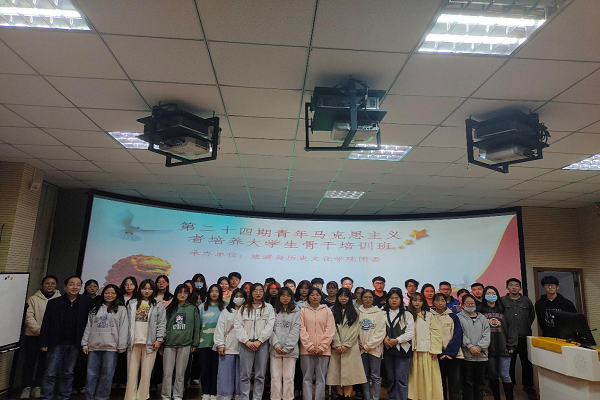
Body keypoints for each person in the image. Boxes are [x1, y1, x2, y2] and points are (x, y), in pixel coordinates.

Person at [39, 276, 94, 400]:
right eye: (72, 284)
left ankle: (64, 397)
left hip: (75, 344)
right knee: (50, 373)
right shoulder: (54, 302)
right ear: (65, 287)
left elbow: (90, 323)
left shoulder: (86, 302)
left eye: (78, 284)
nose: (75, 287)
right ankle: (46, 397)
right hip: (55, 343)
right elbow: (46, 323)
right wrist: (43, 343)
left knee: (68, 373)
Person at [81, 284, 128, 400]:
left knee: (107, 374)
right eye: (107, 293)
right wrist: (84, 343)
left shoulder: (122, 309)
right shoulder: (95, 309)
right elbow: (89, 327)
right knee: (91, 374)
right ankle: (89, 397)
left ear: (117, 295)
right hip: (94, 346)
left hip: (111, 347)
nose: (109, 295)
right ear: (103, 294)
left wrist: (121, 345)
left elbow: (124, 328)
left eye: (113, 293)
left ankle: (102, 397)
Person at [125, 279, 166, 400]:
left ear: (153, 290)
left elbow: (162, 323)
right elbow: (126, 323)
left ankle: (142, 396)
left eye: (149, 289)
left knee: (146, 373)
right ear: (140, 289)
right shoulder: (132, 303)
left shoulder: (158, 304)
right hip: (133, 342)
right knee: (131, 372)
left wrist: (159, 339)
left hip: (150, 343)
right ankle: (130, 396)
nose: (147, 291)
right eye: (144, 288)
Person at [20, 275, 61, 400]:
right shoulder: (33, 299)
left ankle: (37, 386)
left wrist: (48, 334)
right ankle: (26, 387)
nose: (50, 285)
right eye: (47, 283)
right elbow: (29, 317)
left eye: (53, 283)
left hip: (49, 338)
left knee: (43, 363)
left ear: (56, 285)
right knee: (29, 362)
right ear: (42, 285)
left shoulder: (60, 299)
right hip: (32, 336)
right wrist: (40, 331)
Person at [234, 283, 276, 400]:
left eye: (260, 290)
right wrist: (246, 341)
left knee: (260, 375)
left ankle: (257, 398)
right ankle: (244, 397)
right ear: (251, 293)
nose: (258, 293)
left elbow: (270, 326)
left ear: (264, 292)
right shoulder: (244, 307)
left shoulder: (268, 307)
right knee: (244, 375)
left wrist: (260, 341)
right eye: (255, 290)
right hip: (245, 344)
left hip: (262, 344)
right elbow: (238, 325)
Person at [162, 284, 200, 400]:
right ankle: (166, 395)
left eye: (185, 292)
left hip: (185, 344)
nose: (182, 295)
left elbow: (197, 327)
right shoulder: (169, 308)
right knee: (167, 372)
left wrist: (195, 343)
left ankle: (178, 395)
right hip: (169, 344)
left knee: (180, 372)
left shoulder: (192, 308)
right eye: (180, 292)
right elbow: (163, 326)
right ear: (176, 293)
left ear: (188, 294)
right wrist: (162, 344)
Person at [327, 288, 366, 399]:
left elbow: (355, 329)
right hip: (336, 347)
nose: (343, 298)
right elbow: (331, 328)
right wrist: (337, 344)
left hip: (351, 348)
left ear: (349, 298)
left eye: (346, 296)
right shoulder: (331, 311)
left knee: (349, 375)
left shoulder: (356, 311)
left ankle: (347, 396)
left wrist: (346, 344)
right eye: (341, 296)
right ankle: (340, 395)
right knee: (337, 374)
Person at [479, 286, 517, 400]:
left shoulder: (504, 310)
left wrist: (511, 345)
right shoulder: (480, 311)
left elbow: (512, 328)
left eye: (493, 293)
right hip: (488, 349)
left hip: (504, 347)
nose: (491, 295)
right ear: (484, 296)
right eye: (488, 293)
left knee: (505, 374)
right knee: (493, 375)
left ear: (497, 295)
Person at [501, 278, 537, 399]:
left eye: (516, 285)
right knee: (509, 363)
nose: (514, 287)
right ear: (507, 287)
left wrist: (523, 327)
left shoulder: (526, 300)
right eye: (511, 285)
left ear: (520, 288)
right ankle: (510, 386)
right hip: (508, 338)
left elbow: (531, 316)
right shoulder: (502, 301)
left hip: (524, 336)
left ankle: (528, 386)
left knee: (526, 363)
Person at [299, 288, 335, 400]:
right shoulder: (303, 310)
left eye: (317, 295)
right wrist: (309, 346)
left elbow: (330, 330)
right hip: (306, 350)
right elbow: (301, 329)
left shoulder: (327, 311)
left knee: (321, 379)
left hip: (323, 351)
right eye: (312, 295)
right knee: (307, 378)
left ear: (321, 296)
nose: (315, 297)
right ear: (308, 297)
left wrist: (322, 346)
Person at [407, 292, 443, 400]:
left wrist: (435, 350)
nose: (417, 303)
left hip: (427, 351)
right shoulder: (407, 315)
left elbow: (435, 333)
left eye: (420, 300)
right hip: (412, 351)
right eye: (415, 300)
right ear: (411, 301)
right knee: (414, 376)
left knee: (428, 376)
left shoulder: (429, 315)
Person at [382, 288, 414, 400]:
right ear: (388, 300)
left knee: (401, 378)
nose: (394, 300)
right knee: (390, 378)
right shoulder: (382, 313)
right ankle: (392, 397)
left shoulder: (407, 314)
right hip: (387, 349)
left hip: (403, 349)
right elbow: (378, 329)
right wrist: (384, 339)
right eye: (391, 298)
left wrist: (397, 340)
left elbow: (410, 333)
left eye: (397, 298)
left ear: (401, 299)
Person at [457, 294, 491, 400]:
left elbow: (487, 334)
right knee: (467, 382)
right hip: (466, 355)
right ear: (462, 305)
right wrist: (470, 346)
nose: (470, 305)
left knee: (480, 382)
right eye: (468, 303)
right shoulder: (458, 317)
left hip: (481, 356)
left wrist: (479, 347)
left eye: (472, 303)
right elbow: (459, 334)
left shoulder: (482, 318)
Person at [215, 289, 246, 400]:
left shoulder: (248, 311)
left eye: (241, 296)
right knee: (225, 374)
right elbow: (220, 328)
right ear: (232, 298)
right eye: (236, 296)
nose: (239, 298)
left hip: (244, 348)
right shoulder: (226, 312)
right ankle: (225, 396)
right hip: (228, 347)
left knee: (241, 375)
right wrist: (220, 344)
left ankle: (239, 396)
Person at [270, 287, 301, 400]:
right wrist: (276, 345)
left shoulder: (297, 312)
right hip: (275, 349)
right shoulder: (273, 311)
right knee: (275, 377)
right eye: (283, 295)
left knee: (288, 378)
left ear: (292, 298)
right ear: (279, 297)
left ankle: (288, 398)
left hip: (291, 350)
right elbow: (270, 330)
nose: (285, 298)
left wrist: (287, 347)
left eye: (288, 295)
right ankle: (275, 398)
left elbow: (296, 330)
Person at [431, 293, 463, 400]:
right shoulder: (430, 316)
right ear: (433, 302)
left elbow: (458, 335)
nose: (440, 303)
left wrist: (450, 352)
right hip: (436, 355)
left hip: (453, 356)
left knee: (455, 383)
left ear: (446, 302)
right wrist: (439, 351)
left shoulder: (453, 316)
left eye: (442, 300)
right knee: (440, 384)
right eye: (437, 300)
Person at [357, 289, 386, 400]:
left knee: (375, 376)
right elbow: (354, 329)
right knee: (364, 376)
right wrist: (358, 341)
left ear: (373, 298)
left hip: (375, 349)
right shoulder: (358, 312)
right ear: (361, 298)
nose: (368, 299)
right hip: (361, 349)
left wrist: (368, 345)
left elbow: (381, 332)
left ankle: (375, 398)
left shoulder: (379, 313)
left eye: (370, 297)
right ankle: (367, 397)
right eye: (365, 297)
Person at [198, 284, 225, 400]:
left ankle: (214, 392)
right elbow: (198, 325)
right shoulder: (201, 307)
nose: (214, 293)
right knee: (205, 369)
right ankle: (205, 392)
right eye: (212, 291)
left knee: (216, 369)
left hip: (219, 344)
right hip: (204, 343)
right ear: (209, 293)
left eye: (217, 291)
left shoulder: (225, 307)